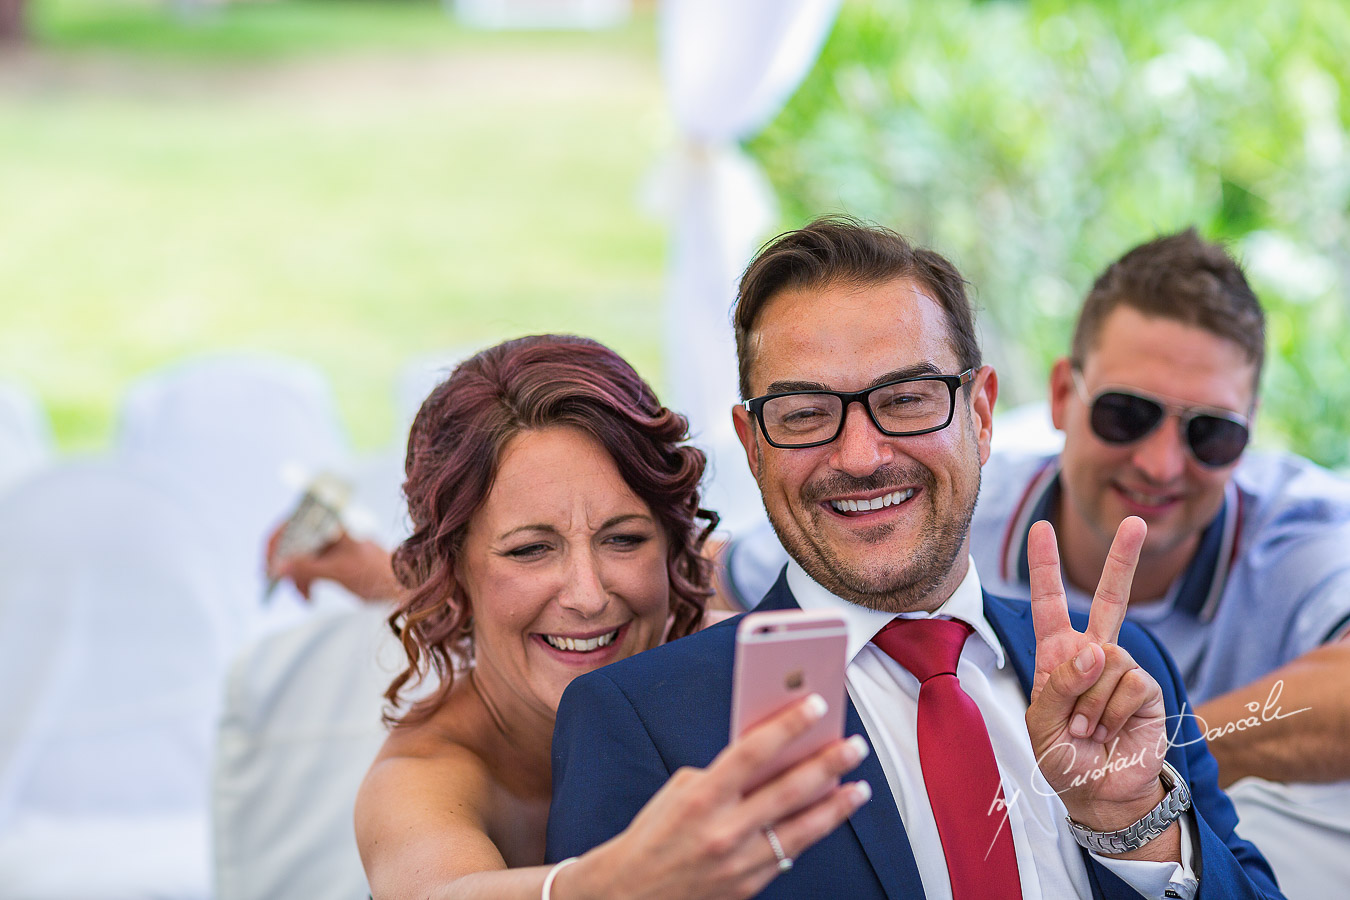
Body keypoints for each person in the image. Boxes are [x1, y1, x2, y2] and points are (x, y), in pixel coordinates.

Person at [547, 219, 1282, 898]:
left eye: (906, 399)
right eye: (804, 414)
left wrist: (1135, 823)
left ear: (983, 415)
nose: (862, 457)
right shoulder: (641, 722)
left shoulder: (1120, 666)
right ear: (752, 445)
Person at [352, 334, 869, 900]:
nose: (588, 596)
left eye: (623, 539)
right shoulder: (422, 776)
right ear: (452, 570)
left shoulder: (744, 663)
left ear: (674, 547)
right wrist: (618, 883)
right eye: (530, 549)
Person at [965, 229, 1350, 896]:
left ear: (1251, 430)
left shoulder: (1300, 530)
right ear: (1062, 395)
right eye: (1126, 414)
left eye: (1211, 432)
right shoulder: (955, 514)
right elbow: (736, 573)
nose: (1161, 463)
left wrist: (1159, 754)